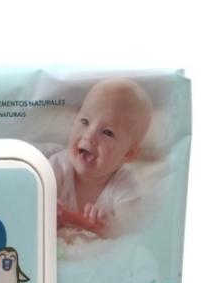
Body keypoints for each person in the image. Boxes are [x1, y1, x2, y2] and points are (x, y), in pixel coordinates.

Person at [49, 78, 153, 238]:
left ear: (129, 154)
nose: (89, 136)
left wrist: (109, 225)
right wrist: (47, 208)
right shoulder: (57, 167)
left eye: (107, 132)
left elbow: (130, 231)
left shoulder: (125, 184)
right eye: (85, 122)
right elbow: (29, 204)